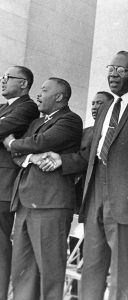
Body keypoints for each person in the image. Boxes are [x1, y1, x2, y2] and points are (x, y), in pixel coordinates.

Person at [39, 51, 128, 300]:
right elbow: (90, 156)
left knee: (122, 273)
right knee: (91, 268)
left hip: (126, 200)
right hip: (94, 200)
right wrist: (62, 160)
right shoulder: (106, 108)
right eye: (111, 68)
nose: (113, 74)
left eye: (121, 70)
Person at [3, 77, 82, 300]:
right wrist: (31, 157)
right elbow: (19, 156)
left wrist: (12, 143)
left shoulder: (70, 120)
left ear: (59, 97)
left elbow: (40, 142)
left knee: (50, 271)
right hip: (25, 203)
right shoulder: (36, 123)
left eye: (45, 90)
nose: (39, 93)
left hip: (51, 205)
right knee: (23, 269)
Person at [0, 66, 39, 300]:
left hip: (3, 186)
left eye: (7, 78)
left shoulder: (26, 107)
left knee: (1, 246)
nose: (3, 81)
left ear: (23, 83)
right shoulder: (4, 107)